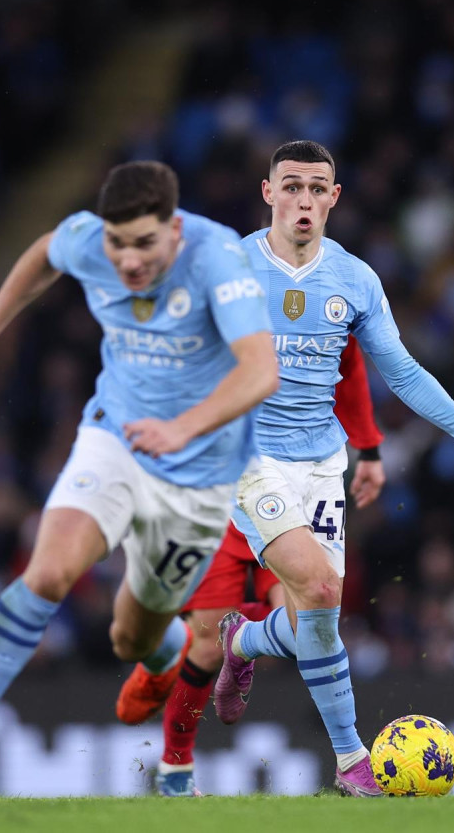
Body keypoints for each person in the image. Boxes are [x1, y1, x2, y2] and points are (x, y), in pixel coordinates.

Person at [140, 140, 454, 798]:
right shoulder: (228, 265)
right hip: (245, 457)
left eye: (318, 188)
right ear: (268, 193)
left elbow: (399, 371)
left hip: (321, 463)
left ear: (334, 198)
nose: (304, 201)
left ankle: (247, 642)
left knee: (316, 618)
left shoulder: (354, 279)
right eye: (291, 187)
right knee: (318, 588)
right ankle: (352, 761)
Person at [0, 161, 278, 796]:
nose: (129, 260)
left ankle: (163, 653)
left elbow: (260, 372)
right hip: (114, 437)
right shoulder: (91, 240)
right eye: (117, 244)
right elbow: (42, 254)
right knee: (50, 572)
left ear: (173, 230)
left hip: (197, 478)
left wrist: (184, 428)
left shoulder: (217, 259)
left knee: (128, 635)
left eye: (144, 243)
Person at [141, 338, 386, 798]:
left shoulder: (325, 309)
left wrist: (368, 447)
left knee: (308, 620)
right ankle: (176, 768)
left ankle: (247, 639)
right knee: (207, 642)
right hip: (228, 496)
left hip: (288, 497)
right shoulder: (236, 294)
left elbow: (350, 375)